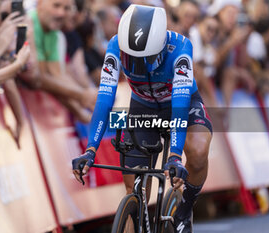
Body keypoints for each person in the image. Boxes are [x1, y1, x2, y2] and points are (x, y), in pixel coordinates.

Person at [72, 4, 212, 232]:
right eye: (130, 57)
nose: (135, 63)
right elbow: (105, 100)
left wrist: (175, 155)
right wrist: (90, 150)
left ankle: (185, 210)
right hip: (143, 107)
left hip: (180, 105)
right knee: (134, 191)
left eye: (144, 57)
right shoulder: (115, 45)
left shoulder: (180, 47)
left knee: (197, 152)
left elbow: (179, 105)